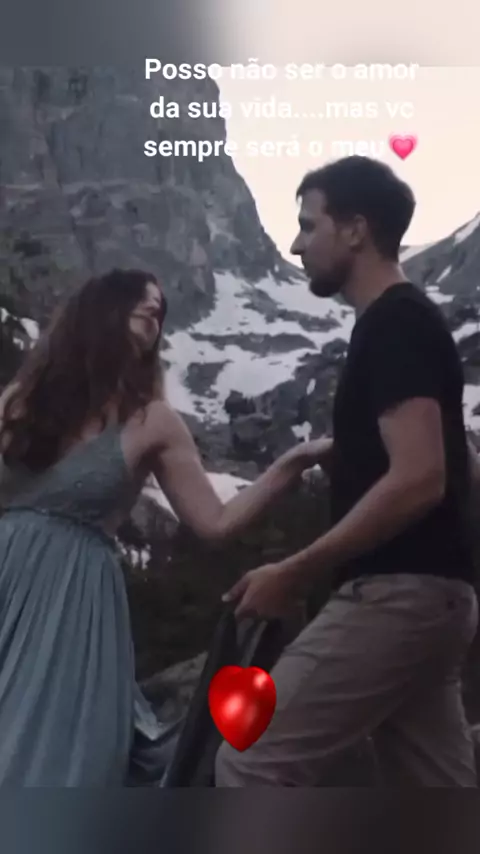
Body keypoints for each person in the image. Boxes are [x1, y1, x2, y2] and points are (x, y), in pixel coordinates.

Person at [0, 267, 330, 787]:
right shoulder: (22, 400)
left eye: (160, 307)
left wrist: (292, 463)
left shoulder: (153, 420)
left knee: (51, 746)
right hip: (6, 574)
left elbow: (215, 522)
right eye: (139, 298)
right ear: (99, 309)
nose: (155, 307)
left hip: (73, 597)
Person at [215, 156, 479, 787]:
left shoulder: (394, 323)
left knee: (250, 761)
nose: (296, 245)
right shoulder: (406, 322)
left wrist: (294, 571)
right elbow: (459, 462)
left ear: (356, 230)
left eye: (309, 225)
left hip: (394, 597)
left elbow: (421, 479)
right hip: (438, 600)